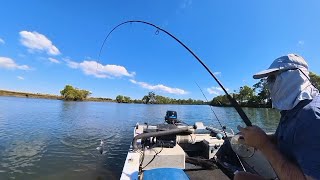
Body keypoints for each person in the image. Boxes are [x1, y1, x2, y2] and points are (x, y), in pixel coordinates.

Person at [235, 54, 320, 180]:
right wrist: (258, 138)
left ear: (294, 76)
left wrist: (263, 144)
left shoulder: (311, 116)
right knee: (240, 177)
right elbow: (285, 138)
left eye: (272, 78)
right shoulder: (291, 110)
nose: (269, 84)